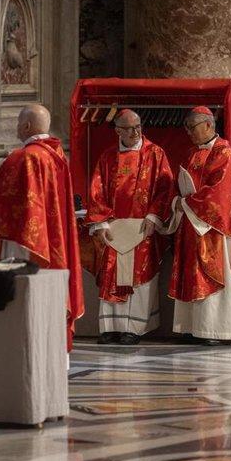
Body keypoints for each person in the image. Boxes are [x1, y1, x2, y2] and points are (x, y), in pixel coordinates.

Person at [0, 104, 84, 352]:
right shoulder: (57, 156)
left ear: (27, 126)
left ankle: (21, 344)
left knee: (24, 294)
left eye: (19, 123)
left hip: (25, 242)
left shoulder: (22, 157)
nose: (17, 127)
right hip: (53, 238)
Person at [168, 106, 231, 345]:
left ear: (209, 125)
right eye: (187, 128)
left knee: (216, 275)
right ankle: (192, 327)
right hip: (192, 224)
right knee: (192, 274)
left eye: (193, 127)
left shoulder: (224, 154)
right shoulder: (192, 154)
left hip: (216, 228)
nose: (189, 132)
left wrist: (186, 202)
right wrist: (178, 199)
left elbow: (218, 194)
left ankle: (216, 330)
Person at [85, 109, 174, 345]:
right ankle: (110, 327)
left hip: (141, 227)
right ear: (117, 131)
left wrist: (154, 216)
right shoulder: (107, 157)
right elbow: (97, 190)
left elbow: (166, 187)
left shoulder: (155, 154)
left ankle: (133, 328)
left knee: (137, 276)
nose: (135, 132)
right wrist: (102, 223)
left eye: (138, 127)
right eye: (129, 128)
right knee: (111, 275)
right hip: (115, 227)